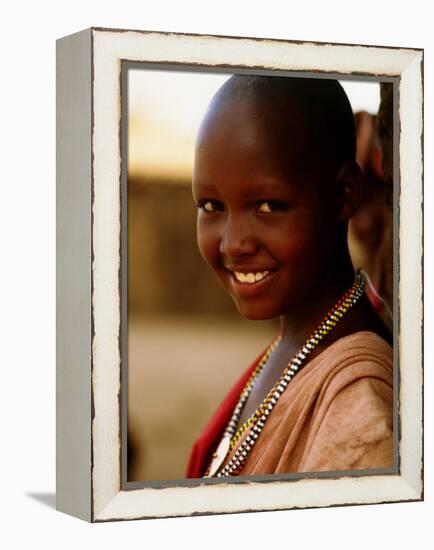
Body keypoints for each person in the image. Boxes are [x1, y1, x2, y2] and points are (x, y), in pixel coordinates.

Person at [186, 75, 393, 479]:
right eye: (211, 204)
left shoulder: (358, 411)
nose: (232, 244)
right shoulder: (295, 342)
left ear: (345, 194)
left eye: (267, 206)